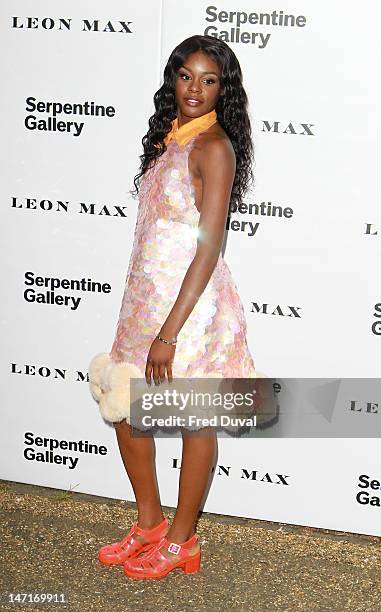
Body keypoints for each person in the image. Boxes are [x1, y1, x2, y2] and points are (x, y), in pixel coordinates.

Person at [88, 34, 256, 580]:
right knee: (127, 410)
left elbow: (209, 245)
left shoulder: (214, 147)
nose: (196, 89)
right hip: (145, 302)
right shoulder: (170, 139)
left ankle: (182, 540)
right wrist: (149, 320)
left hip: (191, 309)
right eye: (187, 76)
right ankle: (151, 524)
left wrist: (170, 333)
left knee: (193, 421)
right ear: (173, 79)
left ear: (223, 89)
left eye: (210, 80)